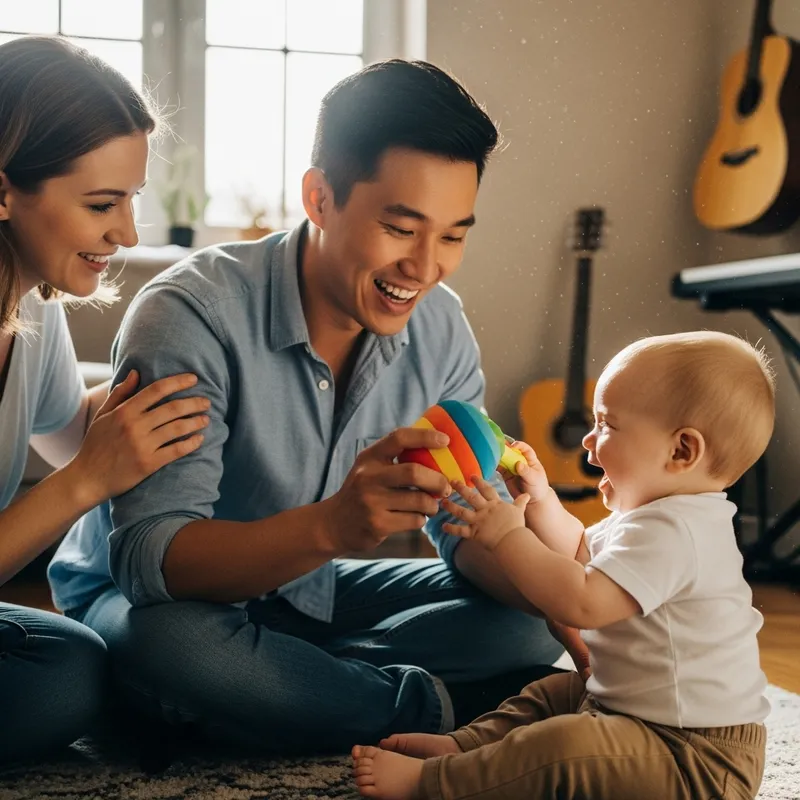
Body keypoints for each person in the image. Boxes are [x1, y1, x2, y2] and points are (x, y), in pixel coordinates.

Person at [47, 59, 578, 757]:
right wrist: (331, 526)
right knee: (170, 651)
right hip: (162, 601)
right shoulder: (189, 315)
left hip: (315, 590)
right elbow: (153, 561)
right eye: (400, 227)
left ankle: (303, 696)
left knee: (531, 621)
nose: (425, 267)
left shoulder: (440, 326)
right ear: (321, 198)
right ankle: (450, 709)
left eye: (452, 235)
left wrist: (566, 591)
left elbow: (464, 529)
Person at [352, 330, 772, 800]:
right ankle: (461, 748)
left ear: (681, 451)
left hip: (693, 758)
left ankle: (434, 784)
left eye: (608, 425)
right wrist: (540, 500)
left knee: (564, 743)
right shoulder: (655, 518)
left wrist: (508, 535)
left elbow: (581, 601)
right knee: (550, 694)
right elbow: (579, 554)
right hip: (637, 716)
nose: (588, 441)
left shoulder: (680, 532)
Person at [0, 36, 211, 764]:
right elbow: (80, 464)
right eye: (101, 203)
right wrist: (87, 479)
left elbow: (70, 430)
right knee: (67, 685)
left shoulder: (31, 314)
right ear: (2, 191)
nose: (125, 233)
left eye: (131, 201)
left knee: (73, 665)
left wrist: (194, 379)